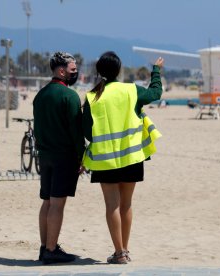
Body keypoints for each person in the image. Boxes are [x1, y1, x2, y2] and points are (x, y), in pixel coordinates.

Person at [82, 51, 164, 264]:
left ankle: (118, 253)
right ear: (119, 70)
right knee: (126, 204)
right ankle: (125, 251)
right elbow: (155, 93)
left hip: (104, 159)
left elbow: (88, 132)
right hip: (131, 156)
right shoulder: (131, 90)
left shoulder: (92, 97)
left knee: (112, 206)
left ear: (99, 71)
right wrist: (156, 71)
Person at [33, 52, 85, 265]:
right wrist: (82, 158)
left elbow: (37, 128)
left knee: (46, 202)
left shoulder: (41, 95)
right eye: (73, 70)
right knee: (57, 204)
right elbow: (76, 131)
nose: (76, 73)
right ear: (62, 71)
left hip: (44, 156)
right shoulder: (69, 96)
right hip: (64, 157)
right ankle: (52, 249)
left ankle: (45, 247)